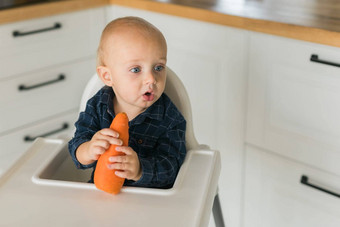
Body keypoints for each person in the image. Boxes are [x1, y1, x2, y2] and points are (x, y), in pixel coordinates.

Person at [68, 17, 186, 189]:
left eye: (158, 67)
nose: (151, 79)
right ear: (108, 77)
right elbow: (77, 144)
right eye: (136, 69)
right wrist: (88, 149)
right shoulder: (97, 105)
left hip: (151, 201)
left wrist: (140, 170)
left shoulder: (170, 117)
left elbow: (173, 167)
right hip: (102, 192)